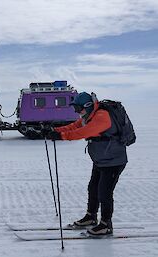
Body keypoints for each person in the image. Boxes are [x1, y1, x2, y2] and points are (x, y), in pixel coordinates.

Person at [45, 92, 127, 236]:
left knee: (104, 192)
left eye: (78, 108)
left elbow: (83, 132)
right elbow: (74, 127)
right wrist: (55, 130)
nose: (77, 112)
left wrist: (61, 137)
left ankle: (106, 225)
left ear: (88, 106)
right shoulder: (89, 116)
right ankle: (91, 217)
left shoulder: (102, 117)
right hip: (101, 159)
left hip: (114, 160)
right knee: (93, 188)